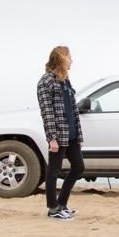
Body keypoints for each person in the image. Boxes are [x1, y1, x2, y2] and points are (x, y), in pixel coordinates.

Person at [36, 45, 85, 221]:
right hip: (58, 135)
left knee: (79, 167)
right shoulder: (46, 81)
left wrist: (78, 136)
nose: (72, 60)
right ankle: (53, 208)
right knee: (53, 171)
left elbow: (73, 110)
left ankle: (62, 204)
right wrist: (52, 138)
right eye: (70, 57)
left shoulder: (65, 81)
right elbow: (47, 112)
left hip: (71, 134)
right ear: (62, 59)